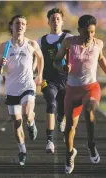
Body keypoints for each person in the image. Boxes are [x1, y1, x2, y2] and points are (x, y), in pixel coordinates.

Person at [53, 14, 106, 174]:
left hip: (90, 87)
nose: (90, 36)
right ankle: (70, 153)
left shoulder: (98, 43)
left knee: (90, 108)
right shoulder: (69, 43)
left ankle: (91, 145)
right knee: (69, 128)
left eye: (92, 32)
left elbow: (101, 58)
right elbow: (56, 61)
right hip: (72, 90)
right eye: (86, 32)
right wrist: (62, 68)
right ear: (79, 31)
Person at [0, 15, 44, 166]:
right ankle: (22, 150)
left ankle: (31, 123)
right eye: (17, 23)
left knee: (27, 113)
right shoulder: (4, 46)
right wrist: (0, 66)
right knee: (17, 123)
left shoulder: (31, 44)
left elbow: (41, 57)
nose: (20, 26)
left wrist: (40, 75)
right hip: (11, 89)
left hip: (27, 86)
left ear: (26, 27)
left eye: (23, 23)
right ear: (11, 26)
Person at [37, 8, 72, 153]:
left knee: (63, 108)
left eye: (58, 19)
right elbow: (36, 59)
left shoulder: (69, 37)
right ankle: (50, 141)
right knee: (51, 101)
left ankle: (60, 118)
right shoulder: (41, 40)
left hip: (66, 80)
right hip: (48, 79)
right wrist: (36, 74)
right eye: (53, 19)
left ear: (62, 21)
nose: (55, 21)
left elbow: (77, 55)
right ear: (48, 22)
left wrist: (71, 65)